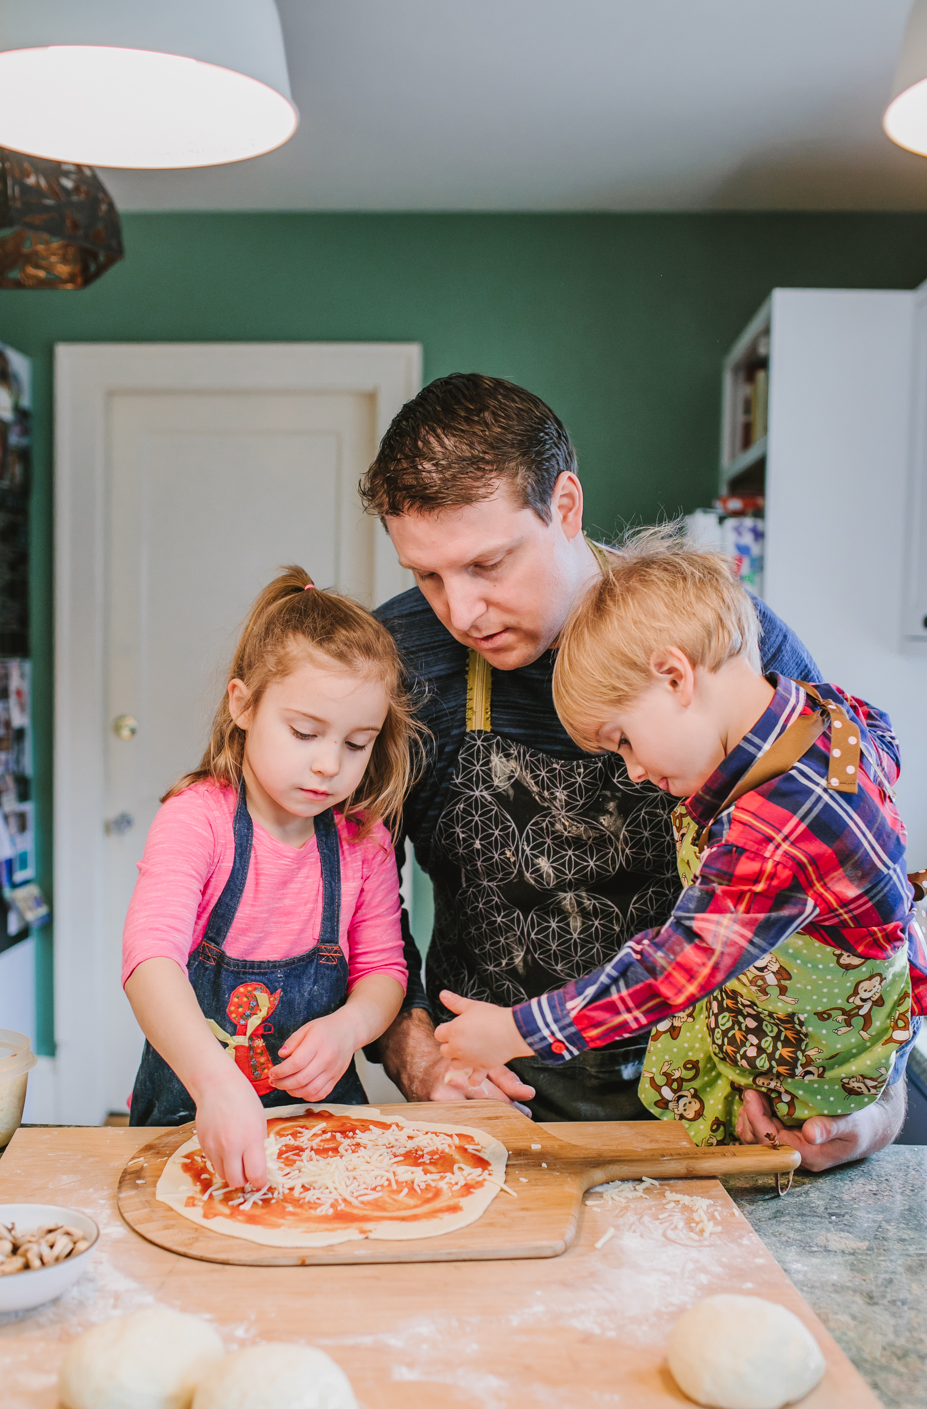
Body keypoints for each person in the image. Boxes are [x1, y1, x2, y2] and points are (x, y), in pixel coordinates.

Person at [363, 372, 914, 1167]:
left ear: (565, 506)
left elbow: (865, 885)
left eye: (489, 565)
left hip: (725, 1103)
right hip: (501, 1107)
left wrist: (865, 1108)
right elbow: (342, 893)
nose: (461, 613)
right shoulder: (400, 659)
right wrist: (412, 1047)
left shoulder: (728, 642)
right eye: (428, 575)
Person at [434, 542, 926, 1156]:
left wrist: (515, 1030)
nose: (633, 771)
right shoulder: (826, 717)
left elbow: (669, 969)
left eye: (624, 740)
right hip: (764, 1020)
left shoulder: (778, 827)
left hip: (814, 1077)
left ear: (676, 676)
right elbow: (882, 734)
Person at [123, 567, 419, 1190]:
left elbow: (385, 974)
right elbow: (149, 960)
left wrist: (348, 1029)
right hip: (191, 1114)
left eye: (358, 743)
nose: (329, 764)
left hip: (324, 1121)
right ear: (243, 704)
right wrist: (214, 1082)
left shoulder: (362, 841)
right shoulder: (197, 821)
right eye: (305, 732)